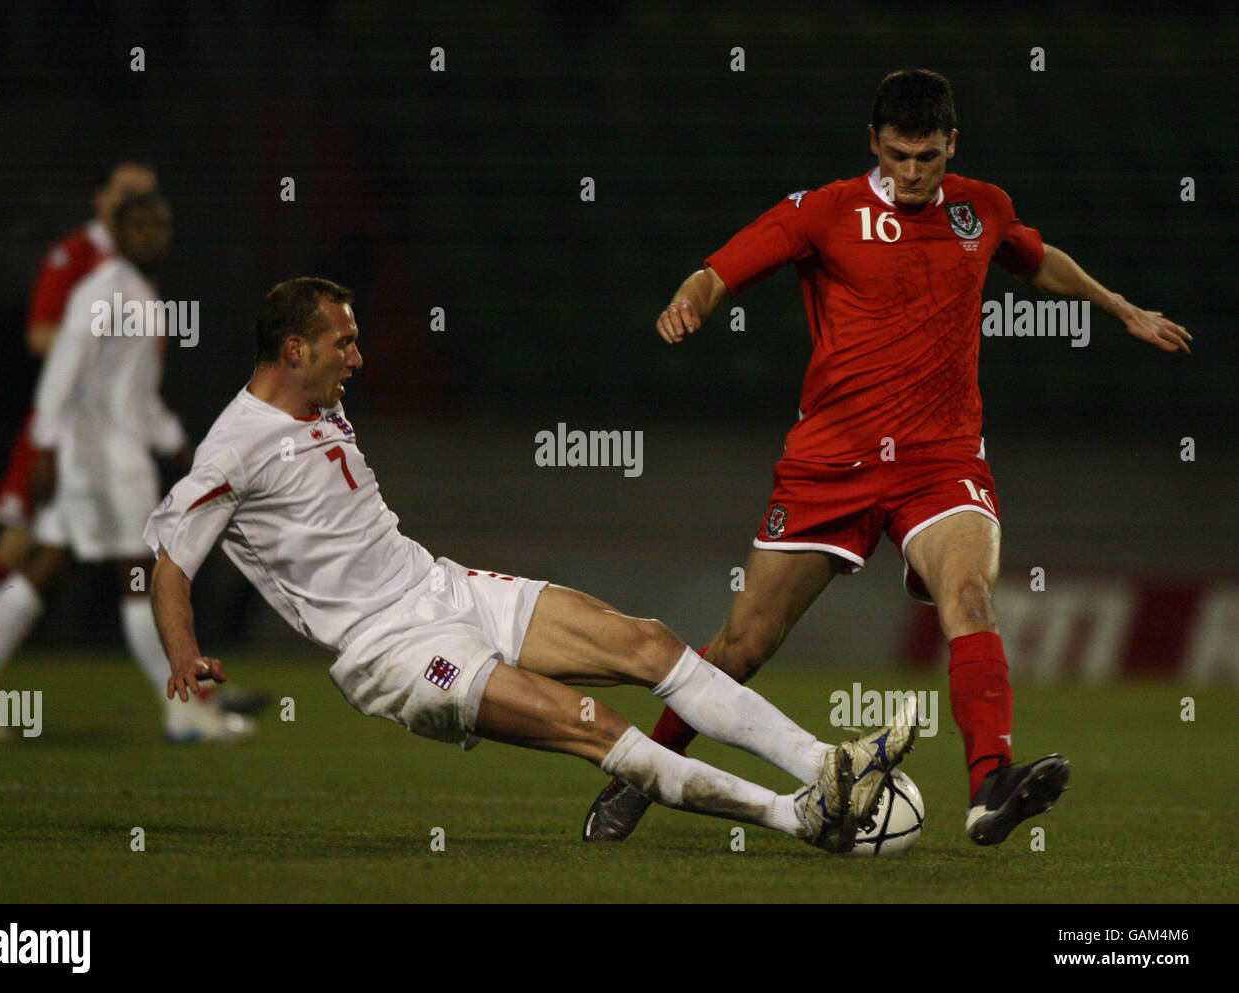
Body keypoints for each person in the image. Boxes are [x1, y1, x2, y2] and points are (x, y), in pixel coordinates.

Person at [584, 69, 1191, 846]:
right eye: (899, 155)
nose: (911, 173)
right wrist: (689, 303)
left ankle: (989, 784)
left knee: (969, 598)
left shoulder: (982, 207)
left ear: (951, 147)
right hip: (830, 464)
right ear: (874, 142)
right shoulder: (825, 211)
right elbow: (720, 270)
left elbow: (1033, 257)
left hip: (942, 462)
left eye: (927, 157)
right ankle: (646, 769)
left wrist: (1121, 308)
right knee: (742, 645)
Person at [144, 277, 919, 853]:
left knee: (646, 640)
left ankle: (828, 761)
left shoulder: (318, 402)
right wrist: (183, 655)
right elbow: (171, 561)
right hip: (394, 649)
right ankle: (794, 816)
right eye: (342, 342)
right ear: (293, 350)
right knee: (594, 726)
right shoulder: (234, 446)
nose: (357, 355)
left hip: (439, 586)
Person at [0, 192, 254, 744]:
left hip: (107, 458)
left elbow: (132, 396)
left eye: (160, 226)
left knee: (49, 567)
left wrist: (177, 442)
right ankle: (185, 710)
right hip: (100, 463)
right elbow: (61, 373)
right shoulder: (104, 290)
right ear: (115, 231)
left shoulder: (139, 292)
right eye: (139, 226)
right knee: (145, 578)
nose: (153, 236)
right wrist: (43, 451)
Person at [0, 162, 157, 675]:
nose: (138, 205)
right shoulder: (75, 257)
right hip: (62, 430)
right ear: (101, 197)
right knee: (20, 550)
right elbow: (40, 336)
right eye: (127, 193)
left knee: (60, 556)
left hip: (103, 434)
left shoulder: (134, 267)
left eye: (147, 196)